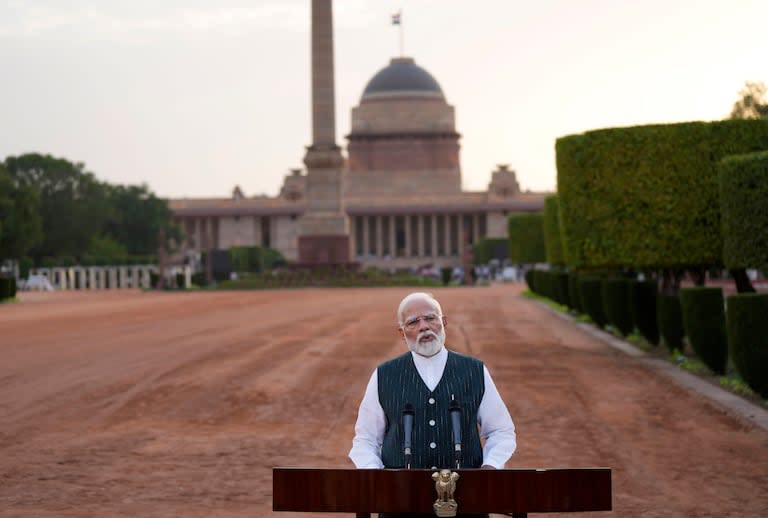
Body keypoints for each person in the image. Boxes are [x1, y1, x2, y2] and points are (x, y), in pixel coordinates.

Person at [349, 292, 517, 518]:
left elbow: (501, 430)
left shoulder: (474, 371)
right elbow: (366, 439)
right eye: (413, 322)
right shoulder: (383, 375)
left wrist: (491, 468)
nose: (423, 327)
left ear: (443, 321)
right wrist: (379, 480)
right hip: (400, 506)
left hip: (466, 505)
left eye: (430, 318)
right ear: (402, 332)